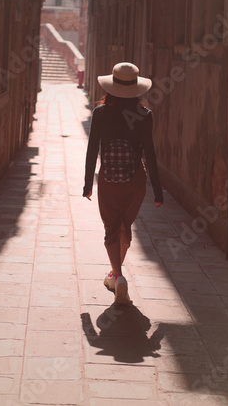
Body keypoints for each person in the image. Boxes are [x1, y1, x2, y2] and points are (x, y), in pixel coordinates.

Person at [83, 62, 163, 305]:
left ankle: (117, 276)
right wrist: (158, 191)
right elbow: (150, 153)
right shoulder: (145, 115)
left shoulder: (100, 113)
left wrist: (87, 184)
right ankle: (116, 275)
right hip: (135, 179)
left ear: (111, 87)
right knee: (124, 226)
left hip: (108, 177)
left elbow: (92, 150)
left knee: (111, 227)